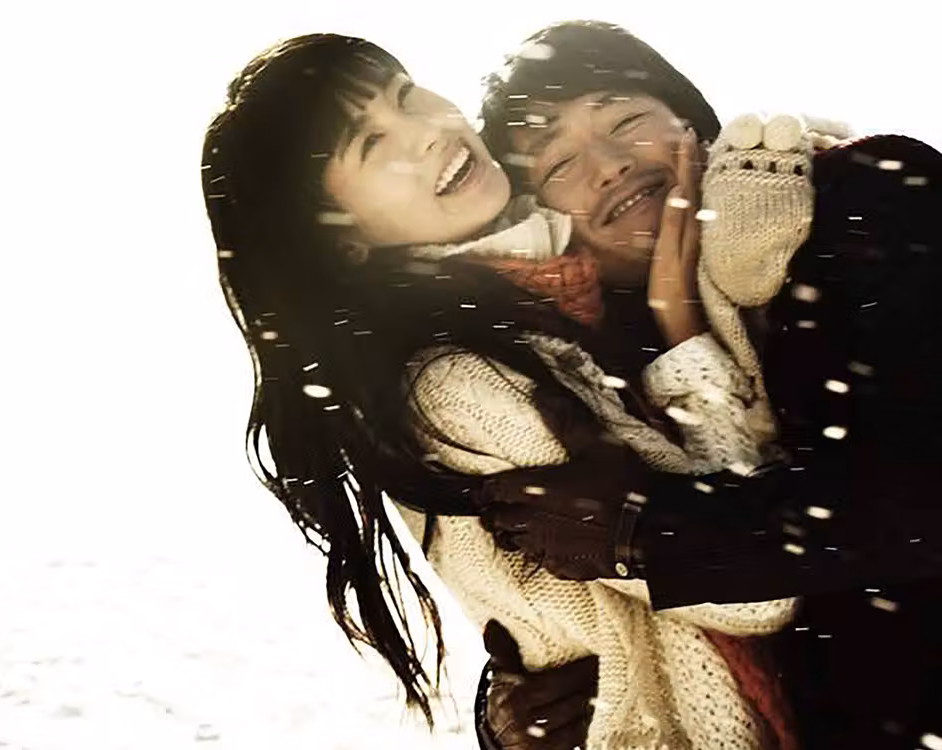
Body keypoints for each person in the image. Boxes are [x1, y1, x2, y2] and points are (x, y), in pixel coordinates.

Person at [202, 33, 802, 749]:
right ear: (343, 239)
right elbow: (758, 591)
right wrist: (682, 335)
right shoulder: (456, 385)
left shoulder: (554, 292)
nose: (427, 131)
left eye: (405, 95)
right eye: (372, 142)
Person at [468, 20, 942, 749]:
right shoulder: (585, 366)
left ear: (692, 121)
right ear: (543, 220)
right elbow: (545, 588)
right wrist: (512, 712)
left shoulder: (862, 196)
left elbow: (914, 494)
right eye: (558, 162)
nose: (609, 166)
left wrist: (645, 533)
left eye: (625, 119)